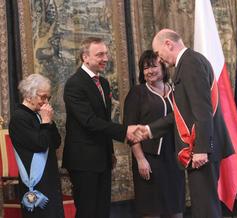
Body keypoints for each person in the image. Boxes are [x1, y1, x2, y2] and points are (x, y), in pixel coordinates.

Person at [144, 29, 234, 218]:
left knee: (205, 209)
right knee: (204, 205)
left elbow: (202, 109)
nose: (160, 60)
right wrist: (148, 130)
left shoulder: (190, 63)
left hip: (200, 150)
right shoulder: (189, 62)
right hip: (199, 147)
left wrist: (201, 148)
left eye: (159, 54)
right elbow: (182, 113)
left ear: (169, 44)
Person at [62, 37, 146, 218]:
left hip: (102, 158)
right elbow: (89, 122)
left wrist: (110, 153)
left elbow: (104, 120)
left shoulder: (104, 83)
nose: (105, 58)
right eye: (99, 54)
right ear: (85, 57)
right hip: (83, 161)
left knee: (102, 211)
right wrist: (125, 131)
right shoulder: (74, 84)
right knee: (88, 211)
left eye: (106, 54)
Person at [123, 50, 185, 218]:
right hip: (149, 161)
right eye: (145, 68)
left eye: (153, 66)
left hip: (174, 158)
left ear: (164, 67)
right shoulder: (137, 93)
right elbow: (131, 130)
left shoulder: (176, 90)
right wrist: (140, 159)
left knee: (176, 210)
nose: (149, 71)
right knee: (152, 211)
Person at [9, 73, 64, 218]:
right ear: (28, 95)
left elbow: (56, 142)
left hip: (49, 178)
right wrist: (46, 122)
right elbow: (40, 145)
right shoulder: (19, 118)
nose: (46, 102)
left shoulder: (39, 115)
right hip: (35, 182)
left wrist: (48, 123)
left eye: (48, 97)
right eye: (42, 97)